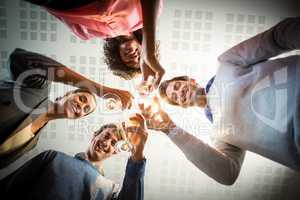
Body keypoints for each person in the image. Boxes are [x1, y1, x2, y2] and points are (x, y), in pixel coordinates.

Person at [139, 17, 300, 185]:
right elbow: (227, 174)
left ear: (191, 80)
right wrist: (169, 128)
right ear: (183, 106)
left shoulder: (227, 63)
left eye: (178, 85)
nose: (180, 92)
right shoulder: (220, 134)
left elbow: (276, 37)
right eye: (175, 97)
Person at [0, 113, 148, 200]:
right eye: (106, 136)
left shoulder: (112, 190)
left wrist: (138, 151)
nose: (106, 142)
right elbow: (9, 187)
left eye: (113, 143)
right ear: (94, 136)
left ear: (116, 151)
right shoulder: (53, 157)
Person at [0, 48, 104, 168]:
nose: (81, 106)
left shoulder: (33, 142)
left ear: (77, 118)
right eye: (82, 99)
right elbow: (18, 58)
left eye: (86, 109)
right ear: (67, 94)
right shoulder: (40, 87)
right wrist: (97, 88)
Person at [24, 0, 165, 86]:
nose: (134, 57)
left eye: (129, 62)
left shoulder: (86, 34)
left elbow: (58, 11)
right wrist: (149, 51)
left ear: (118, 59)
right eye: (139, 58)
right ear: (143, 45)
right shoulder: (144, 18)